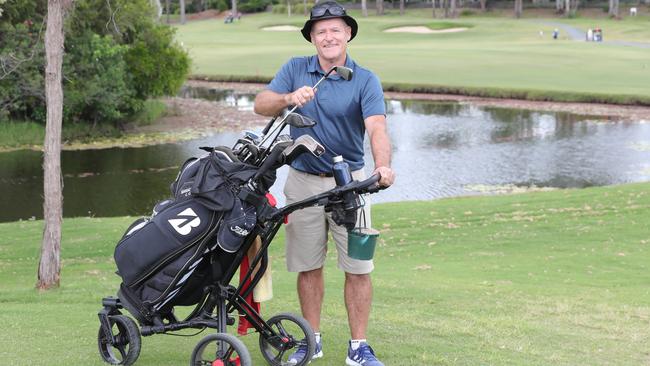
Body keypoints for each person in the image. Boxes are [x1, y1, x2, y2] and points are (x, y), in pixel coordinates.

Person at [253, 1, 395, 365]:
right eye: (321, 31)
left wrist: (384, 167)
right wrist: (288, 98)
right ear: (312, 38)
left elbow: (377, 126)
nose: (328, 36)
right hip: (303, 182)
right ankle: (311, 340)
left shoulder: (365, 79)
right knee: (308, 265)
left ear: (348, 34)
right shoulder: (295, 69)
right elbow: (261, 104)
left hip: (352, 184)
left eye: (335, 29)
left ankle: (358, 348)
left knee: (358, 269)